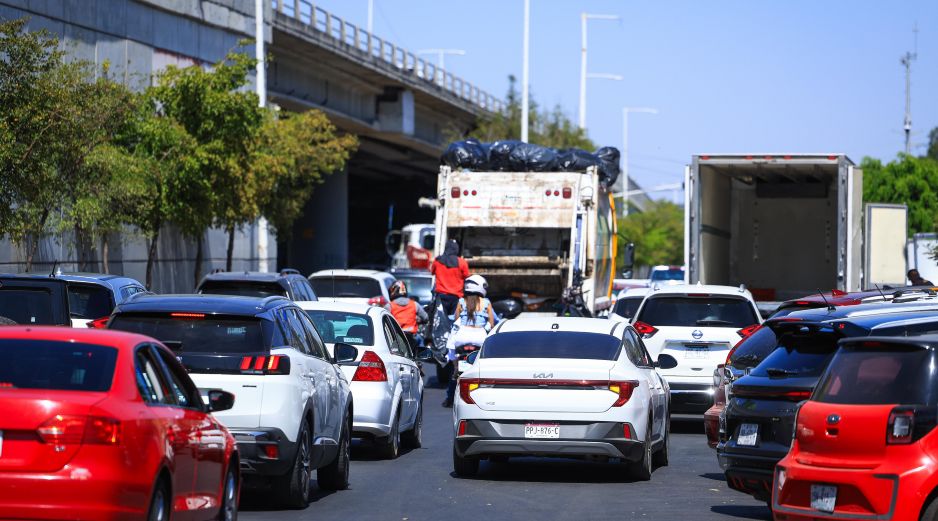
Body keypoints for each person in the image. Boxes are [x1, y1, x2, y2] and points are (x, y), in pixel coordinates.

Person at [442, 274, 495, 408]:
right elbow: (492, 322)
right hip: (479, 337)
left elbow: (456, 319)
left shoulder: (461, 301)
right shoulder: (486, 302)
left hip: (462, 338)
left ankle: (454, 369)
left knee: (454, 366)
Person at [430, 239, 470, 317]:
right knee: (455, 320)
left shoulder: (437, 261)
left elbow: (432, 272)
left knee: (441, 320)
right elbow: (466, 277)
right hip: (456, 297)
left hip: (441, 296)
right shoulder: (462, 262)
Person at [385, 280, 428, 349]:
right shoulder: (414, 304)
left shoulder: (389, 306)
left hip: (397, 338)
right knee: (422, 344)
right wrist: (418, 319)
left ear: (393, 291)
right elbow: (426, 318)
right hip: (413, 337)